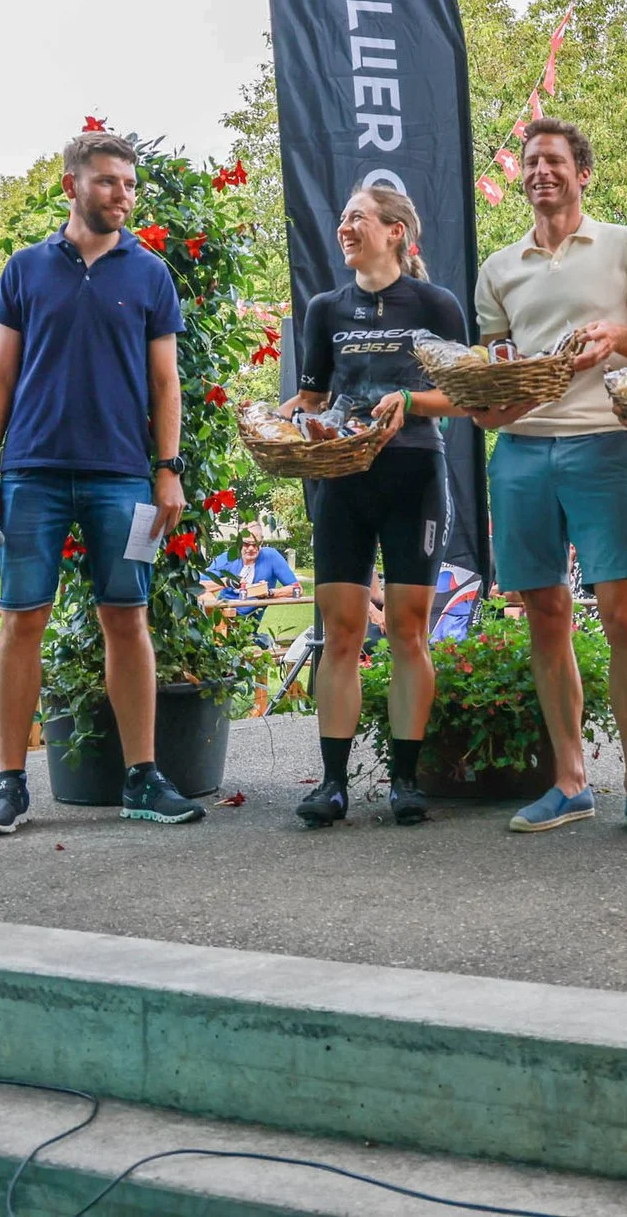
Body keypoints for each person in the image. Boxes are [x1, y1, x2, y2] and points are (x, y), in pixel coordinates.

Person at [0, 130, 205, 836]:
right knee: (21, 621)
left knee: (126, 619)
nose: (122, 197)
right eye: (108, 182)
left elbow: (166, 383)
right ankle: (10, 782)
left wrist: (168, 471)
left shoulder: (149, 273)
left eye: (129, 186)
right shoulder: (26, 268)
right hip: (32, 474)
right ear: (71, 185)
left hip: (123, 480)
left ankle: (142, 777)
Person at [472, 117, 627, 840]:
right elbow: (492, 375)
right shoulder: (500, 267)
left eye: (554, 161)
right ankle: (569, 783)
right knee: (545, 613)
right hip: (524, 452)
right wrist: (491, 399)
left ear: (582, 172)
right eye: (531, 161)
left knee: (624, 613)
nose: (540, 172)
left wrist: (619, 340)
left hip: (603, 444)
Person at [281, 180, 466, 828]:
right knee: (342, 634)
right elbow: (311, 403)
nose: (345, 227)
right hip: (345, 483)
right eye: (342, 219)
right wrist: (289, 421)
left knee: (410, 631)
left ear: (396, 232)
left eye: (357, 217)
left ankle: (407, 782)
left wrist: (410, 402)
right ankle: (333, 785)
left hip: (415, 476)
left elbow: (466, 396)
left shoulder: (434, 304)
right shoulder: (325, 310)